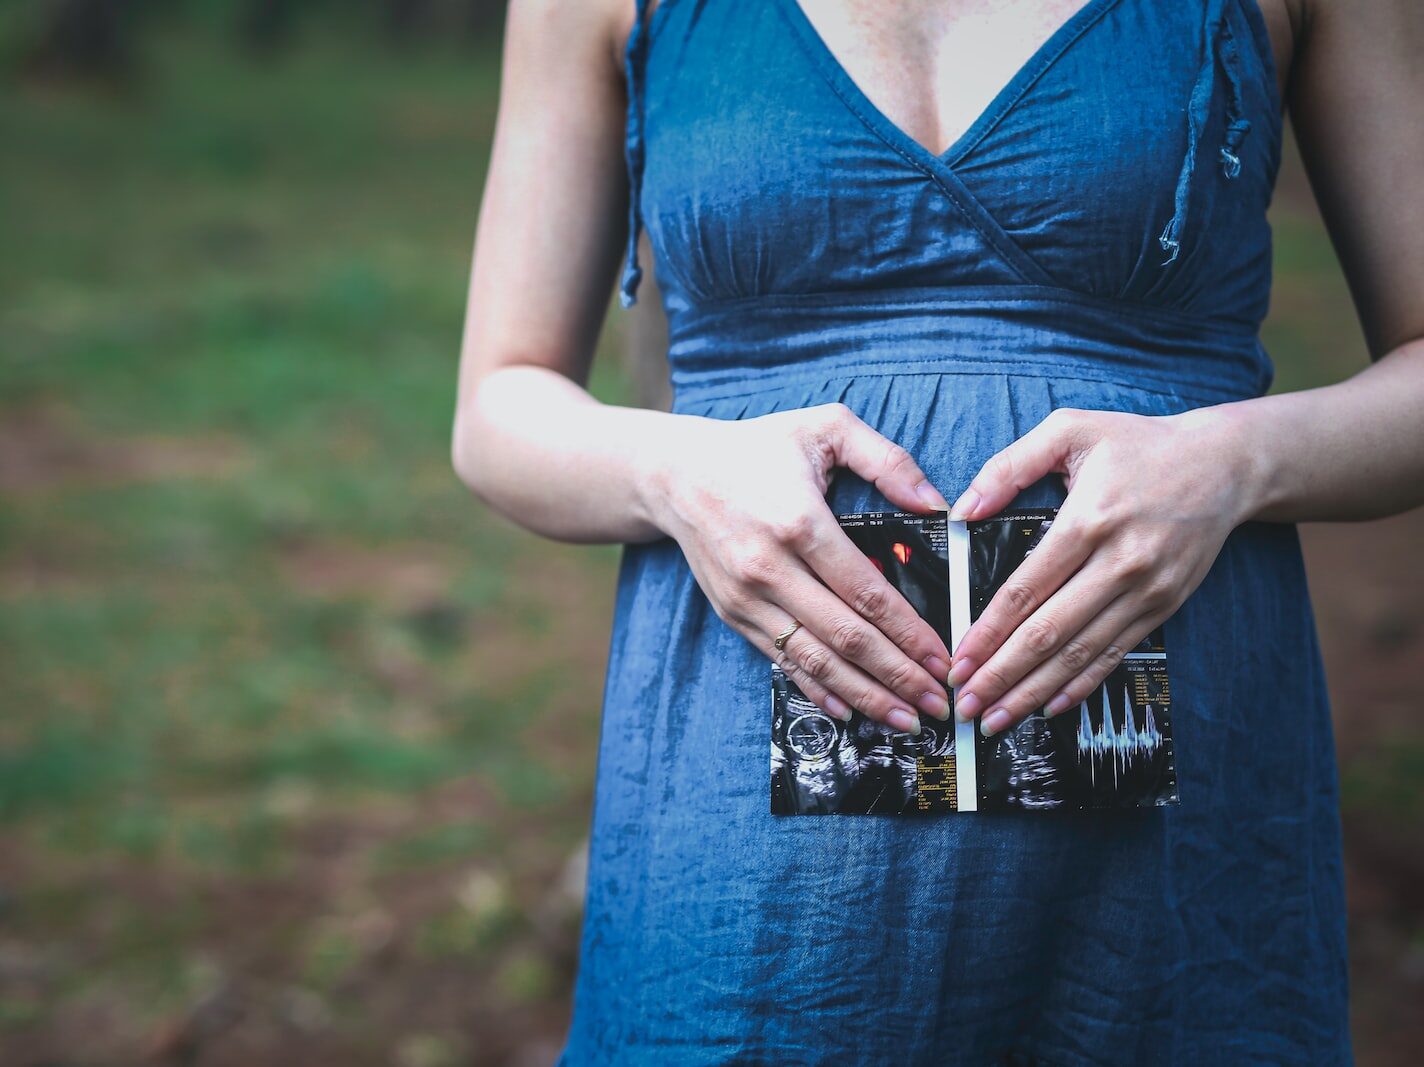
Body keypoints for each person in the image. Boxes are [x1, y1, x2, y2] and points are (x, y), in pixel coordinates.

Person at [451, 0, 1424, 1061]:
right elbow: (498, 407)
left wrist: (1237, 460)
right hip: (739, 833)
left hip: (1174, 813)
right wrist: (673, 471)